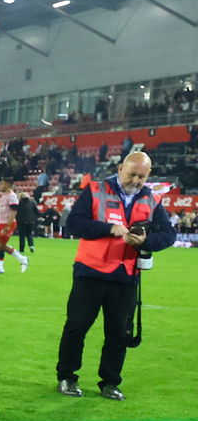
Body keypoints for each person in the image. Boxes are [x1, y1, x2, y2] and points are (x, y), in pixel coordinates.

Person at [55, 152, 173, 401]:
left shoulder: (152, 199)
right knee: (76, 328)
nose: (136, 180)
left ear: (148, 175)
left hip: (126, 276)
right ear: (120, 168)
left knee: (119, 334)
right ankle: (66, 377)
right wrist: (109, 228)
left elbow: (169, 235)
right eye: (132, 174)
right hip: (90, 272)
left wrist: (145, 241)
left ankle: (110, 382)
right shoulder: (95, 190)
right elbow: (74, 224)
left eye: (142, 176)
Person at [0, 180, 28, 274]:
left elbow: (14, 211)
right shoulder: (4, 195)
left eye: (2, 184)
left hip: (7, 224)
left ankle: (22, 259)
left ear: (8, 185)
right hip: (1, 223)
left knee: (1, 245)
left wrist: (8, 225)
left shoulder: (12, 196)